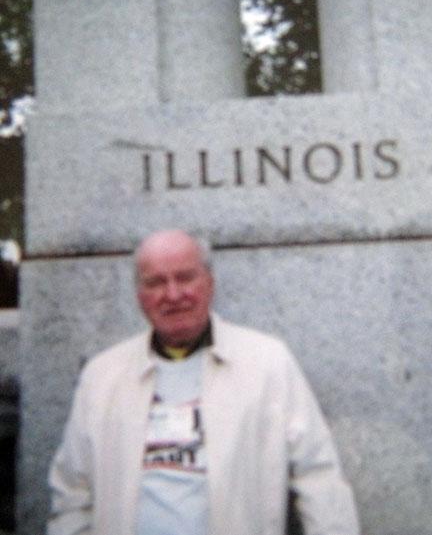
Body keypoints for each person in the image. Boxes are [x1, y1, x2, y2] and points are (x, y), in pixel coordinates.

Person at [48, 229, 360, 535]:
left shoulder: (266, 362)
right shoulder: (103, 376)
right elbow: (73, 493)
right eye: (156, 282)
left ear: (209, 283)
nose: (172, 295)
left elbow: (318, 477)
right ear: (139, 296)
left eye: (185, 278)